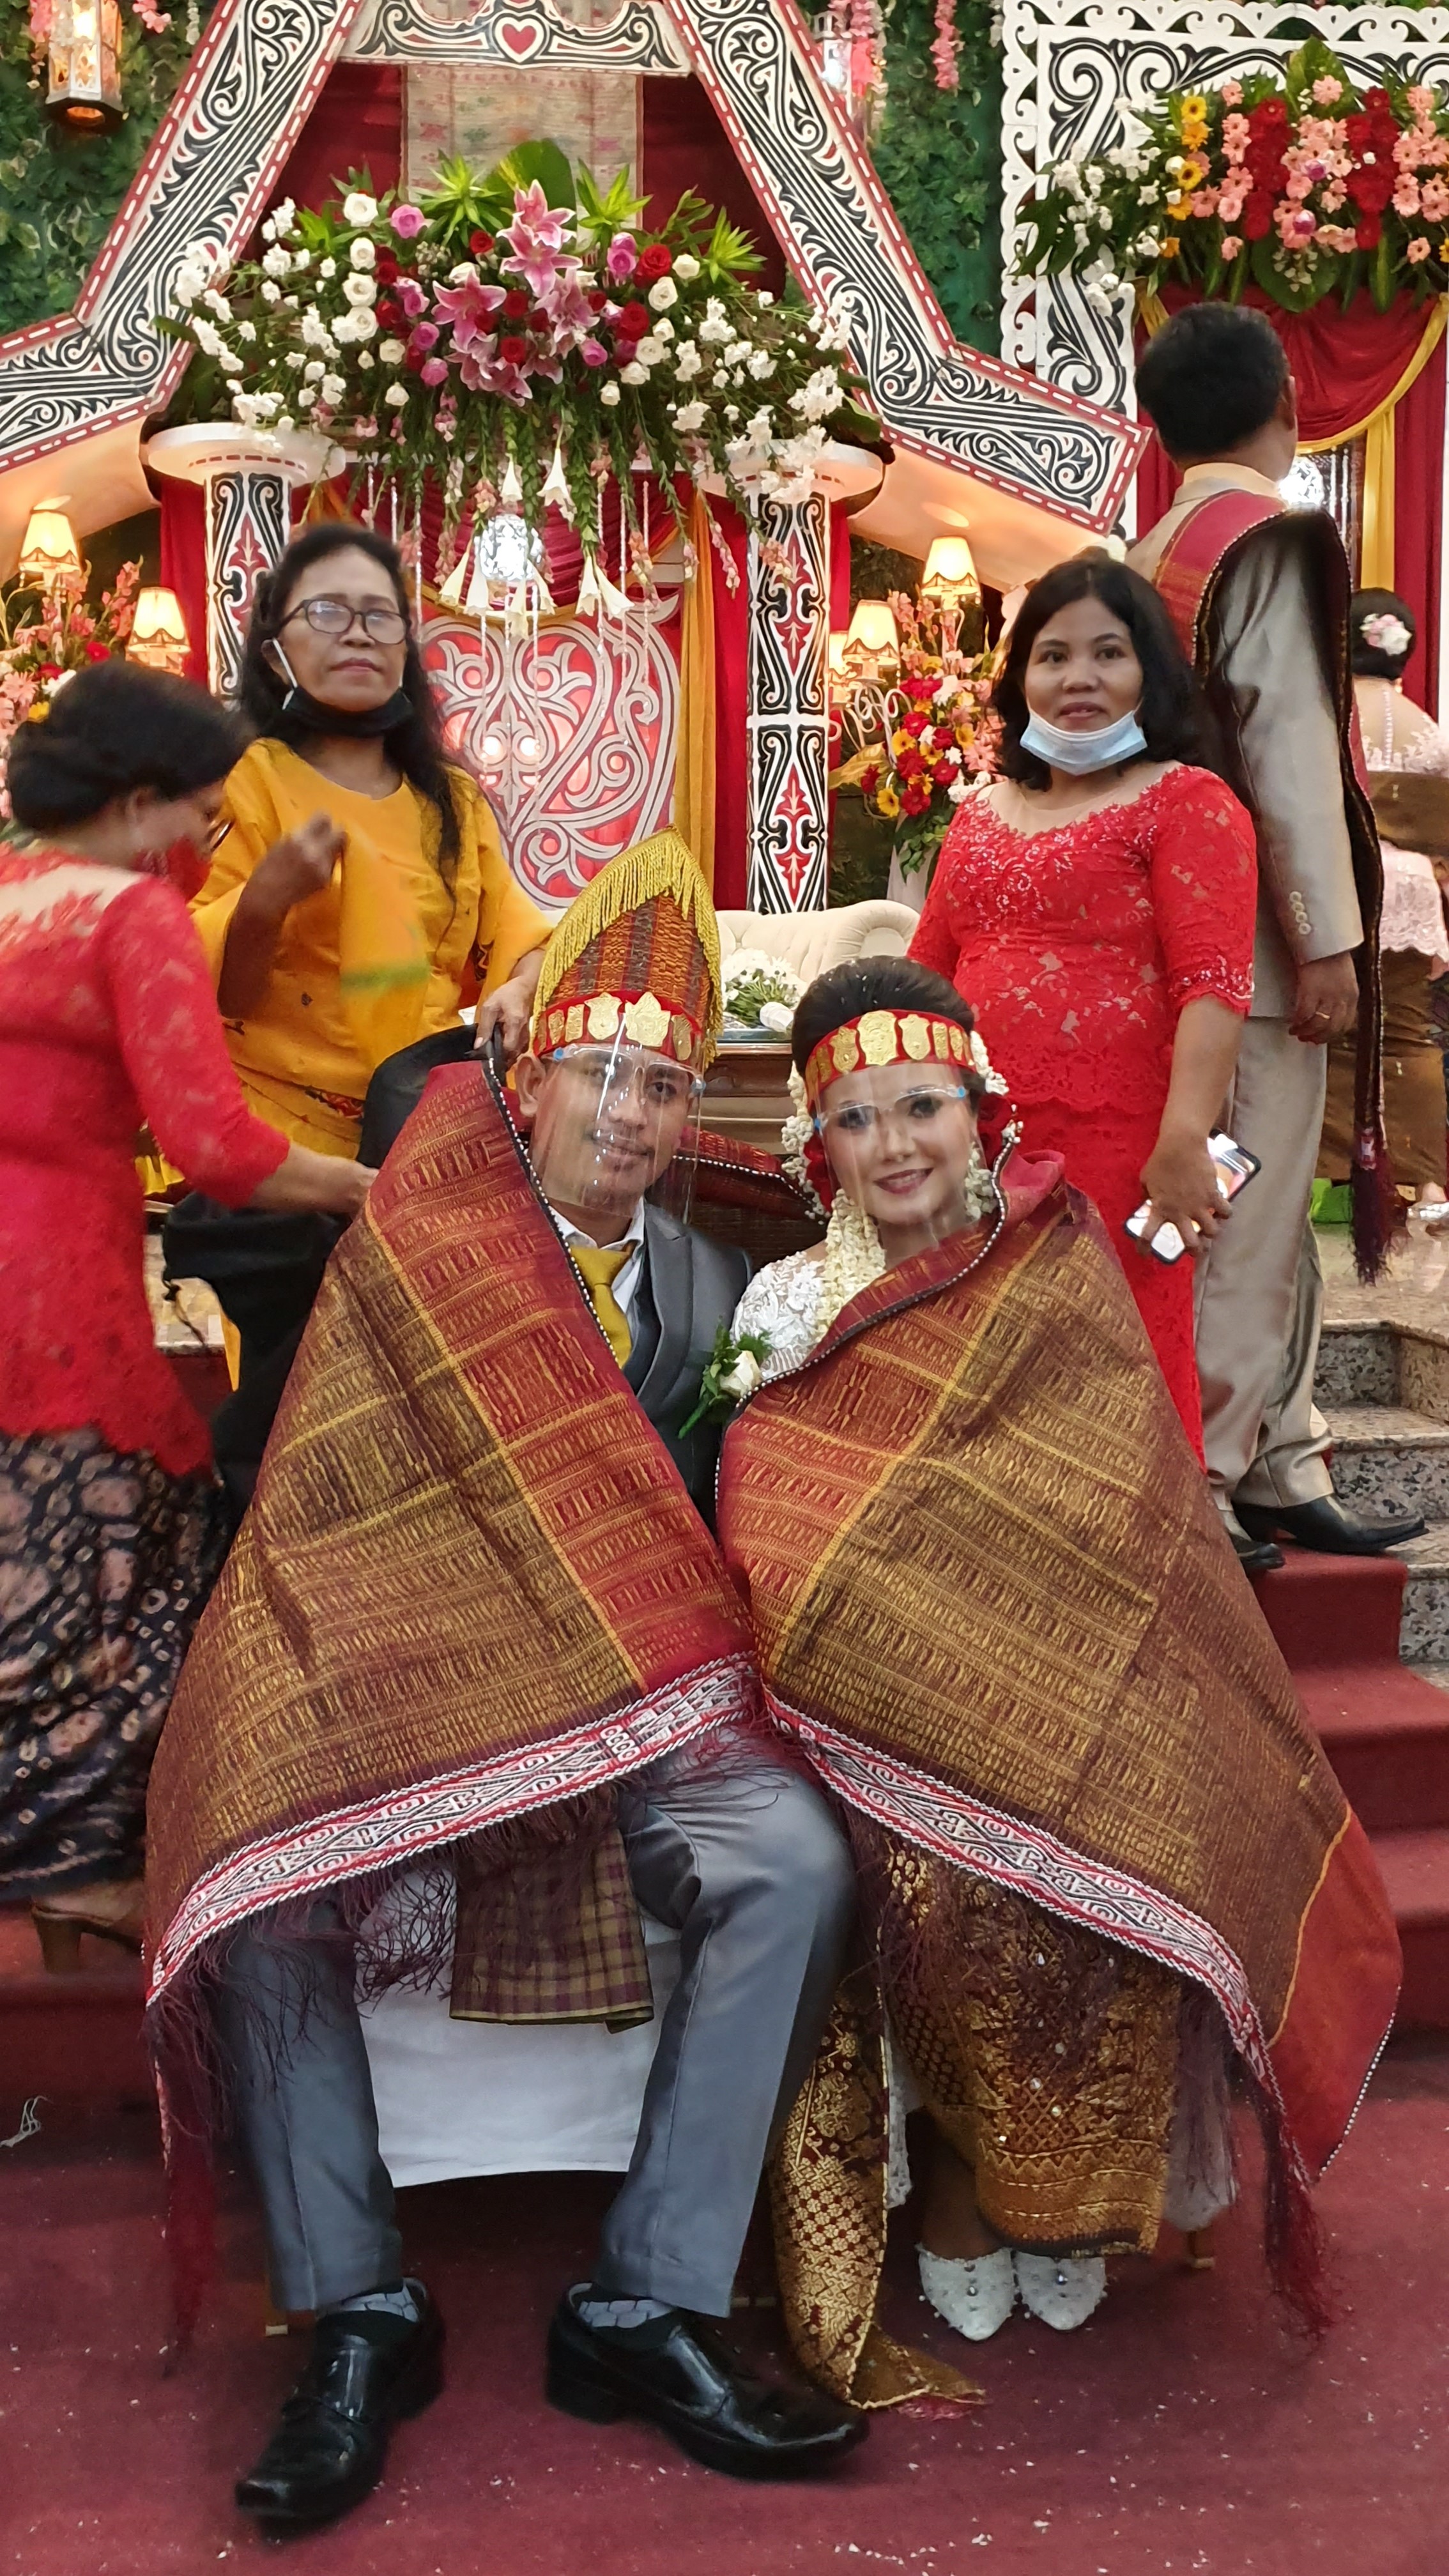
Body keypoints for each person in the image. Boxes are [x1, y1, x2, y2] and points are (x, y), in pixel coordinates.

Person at [144, 833, 866, 2539]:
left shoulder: (718, 1282)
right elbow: (328, 1504)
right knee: (264, 1884)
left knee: (793, 1860)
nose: (628, 1111)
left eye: (663, 1085)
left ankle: (646, 2298)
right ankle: (357, 2311)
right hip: (410, 1694)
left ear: (690, 1116)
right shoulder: (416, 1248)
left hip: (634, 1708)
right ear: (527, 1084)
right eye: (599, 1072)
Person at [714, 957, 1400, 2374]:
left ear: (979, 1113)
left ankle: (1076, 2186)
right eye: (856, 1118)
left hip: (1066, 1671)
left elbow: (1124, 1509)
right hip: (863, 1704)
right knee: (936, 1867)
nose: (895, 1144)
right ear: (817, 1145)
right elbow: (774, 1534)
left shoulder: (1055, 1265)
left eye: (921, 1106)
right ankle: (963, 2186)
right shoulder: (784, 1305)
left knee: (1139, 1802)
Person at [0, 662, 372, 1967]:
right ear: (138, 801)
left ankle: (60, 1869)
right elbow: (214, 1144)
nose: (202, 844)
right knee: (157, 1561)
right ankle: (78, 1864)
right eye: (198, 815)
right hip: (58, 1295)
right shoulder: (131, 916)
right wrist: (366, 1187)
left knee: (35, 1572)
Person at [1130, 302, 1422, 1570]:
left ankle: (1282, 1458)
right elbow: (1292, 751)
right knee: (1241, 1217)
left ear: (1157, 428)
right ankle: (1205, 1477)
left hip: (1171, 936)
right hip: (1251, 951)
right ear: (1288, 409)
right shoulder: (1269, 540)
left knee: (1245, 1209)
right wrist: (1323, 938)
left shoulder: (1151, 548)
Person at [908, 553, 1255, 1454]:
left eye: (1109, 654)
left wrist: (1185, 1139)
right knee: (982, 1384)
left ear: (1150, 671)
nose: (1079, 679)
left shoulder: (1188, 802)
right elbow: (926, 975)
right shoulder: (980, 813)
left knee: (1111, 1379)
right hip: (973, 1149)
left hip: (1117, 1149)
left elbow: (1214, 986)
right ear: (1021, 678)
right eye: (1053, 657)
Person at [190, 521, 549, 1161]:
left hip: (426, 1125)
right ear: (274, 651)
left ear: (404, 648)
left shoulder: (453, 801)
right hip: (279, 1137)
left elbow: (525, 941)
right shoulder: (243, 780)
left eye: (380, 616)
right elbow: (222, 996)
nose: (358, 633)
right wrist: (264, 901)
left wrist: (520, 989)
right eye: (327, 612)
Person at [1318, 590, 1449, 1214]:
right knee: (1406, 1036)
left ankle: (1330, 1172)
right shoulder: (1427, 727)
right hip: (1411, 891)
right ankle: (1428, 1183)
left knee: (1329, 1032)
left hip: (1336, 882)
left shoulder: (1326, 717)